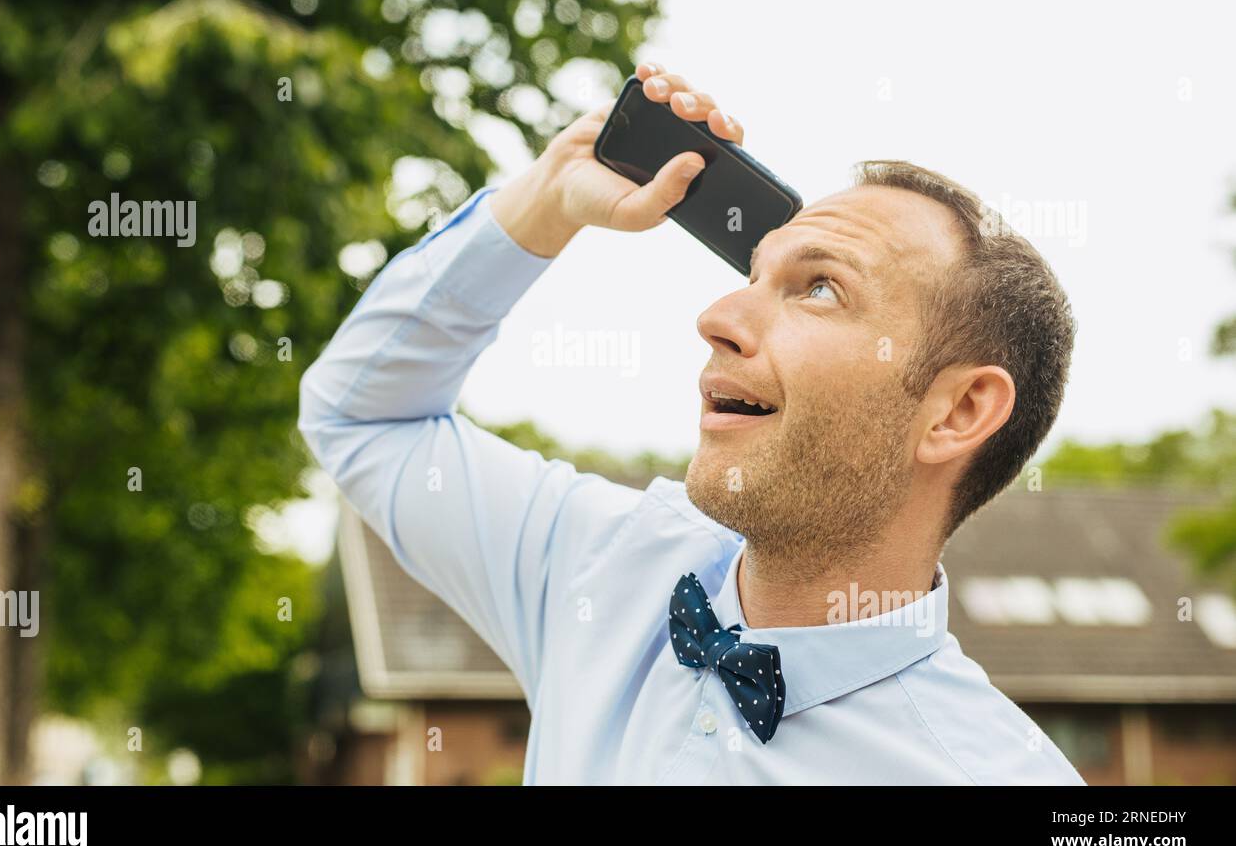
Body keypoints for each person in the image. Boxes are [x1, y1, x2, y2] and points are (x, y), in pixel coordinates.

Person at [299, 63, 1085, 784]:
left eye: (819, 289)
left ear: (958, 411)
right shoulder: (599, 566)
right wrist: (541, 205)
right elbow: (361, 415)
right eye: (752, 275)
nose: (716, 317)